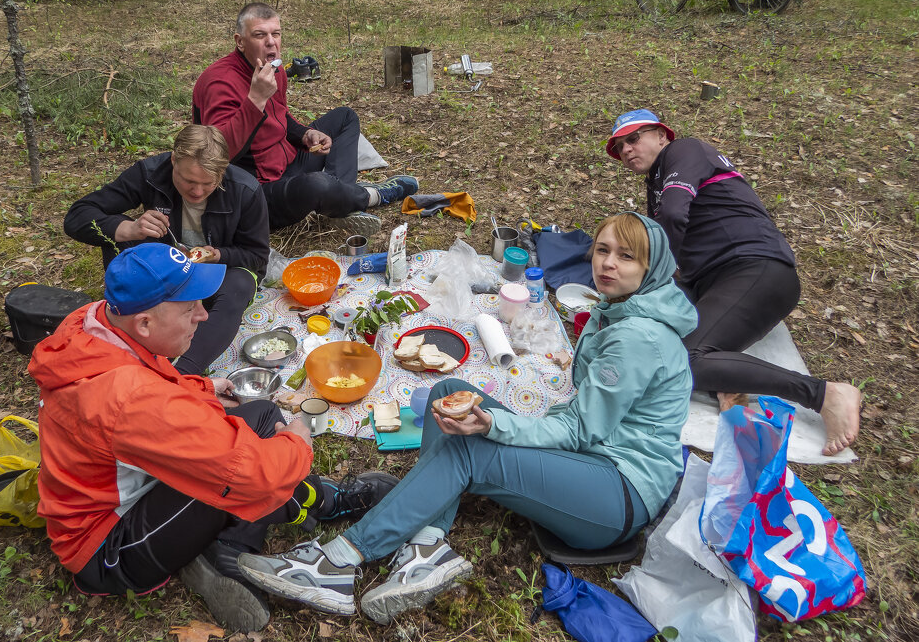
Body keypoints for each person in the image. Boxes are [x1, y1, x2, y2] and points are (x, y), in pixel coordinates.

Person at [235, 213, 696, 624]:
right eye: (602, 250)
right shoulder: (620, 309)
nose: (608, 263)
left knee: (469, 447)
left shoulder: (637, 338)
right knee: (448, 393)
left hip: (618, 494)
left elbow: (580, 430)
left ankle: (337, 562)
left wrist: (496, 426)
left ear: (651, 268)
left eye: (626, 257)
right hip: (595, 461)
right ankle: (427, 548)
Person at [28, 245, 397, 631]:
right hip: (109, 547)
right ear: (144, 323)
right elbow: (250, 472)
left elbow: (142, 378)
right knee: (240, 470)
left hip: (137, 487)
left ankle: (235, 535)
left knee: (263, 414)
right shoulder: (131, 399)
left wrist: (202, 387)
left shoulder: (94, 323)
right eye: (190, 309)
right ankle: (268, 530)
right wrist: (299, 441)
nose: (203, 316)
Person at [605, 109, 861, 456]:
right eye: (620, 147)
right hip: (716, 280)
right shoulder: (657, 179)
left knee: (687, 360)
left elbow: (674, 215)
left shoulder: (684, 151)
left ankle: (823, 393)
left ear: (662, 136)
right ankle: (727, 383)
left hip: (757, 269)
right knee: (655, 342)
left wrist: (657, 274)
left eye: (634, 139)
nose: (627, 150)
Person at [192, 2, 418, 235]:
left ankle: (338, 198)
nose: (271, 42)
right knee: (318, 185)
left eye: (276, 34)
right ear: (240, 41)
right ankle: (369, 196)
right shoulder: (218, 82)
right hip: (255, 189)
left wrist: (305, 134)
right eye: (260, 35)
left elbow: (281, 118)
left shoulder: (274, 70)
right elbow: (217, 155)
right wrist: (255, 100)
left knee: (345, 117)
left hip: (287, 163)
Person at [63, 124, 267, 374]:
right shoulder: (150, 173)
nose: (197, 191)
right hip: (165, 266)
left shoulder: (245, 189)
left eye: (209, 184)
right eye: (188, 181)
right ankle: (126, 339)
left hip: (217, 273)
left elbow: (257, 256)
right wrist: (129, 228)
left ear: (222, 173)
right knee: (120, 239)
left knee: (241, 284)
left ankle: (183, 373)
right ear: (173, 161)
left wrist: (217, 255)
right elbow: (77, 217)